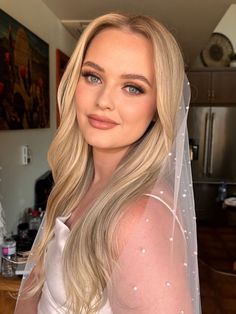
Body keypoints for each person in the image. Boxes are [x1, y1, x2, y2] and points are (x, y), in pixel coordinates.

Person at [15, 12, 201, 314]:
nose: (103, 100)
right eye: (93, 76)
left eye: (132, 87)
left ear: (158, 107)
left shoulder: (139, 218)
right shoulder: (75, 184)